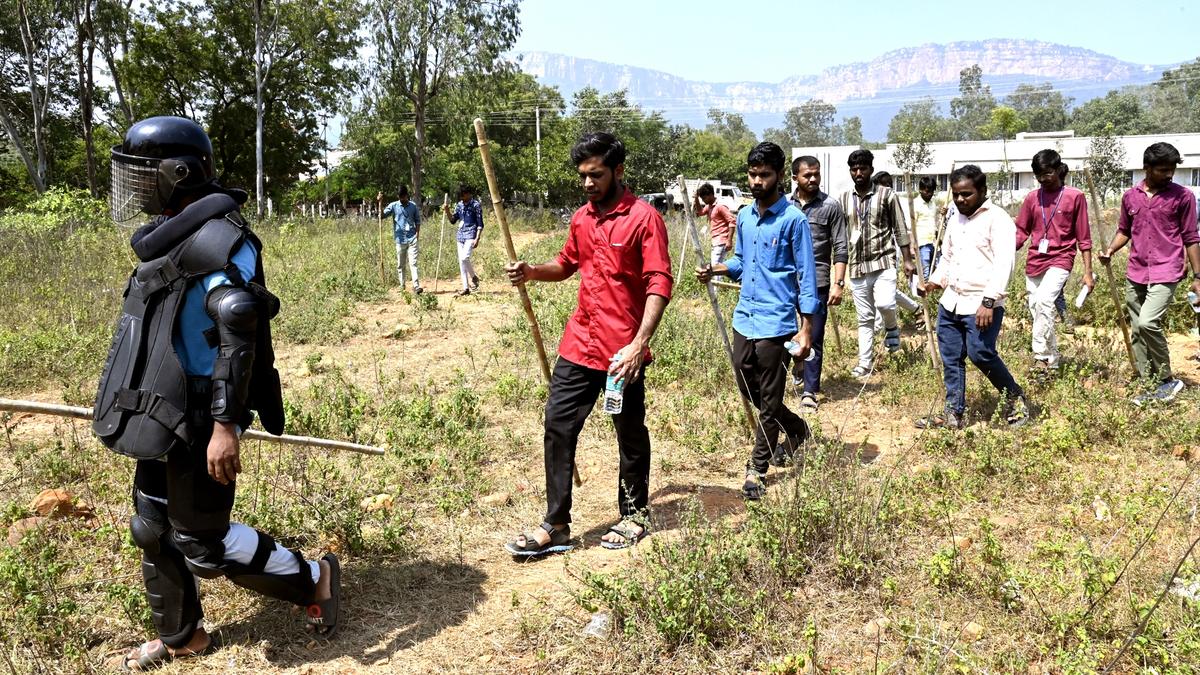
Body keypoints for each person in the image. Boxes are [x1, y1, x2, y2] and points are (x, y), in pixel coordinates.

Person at [97, 117, 340, 671]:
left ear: (177, 173)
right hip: (163, 401)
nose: (135, 189)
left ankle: (315, 578)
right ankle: (183, 636)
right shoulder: (172, 233)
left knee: (201, 541)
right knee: (150, 523)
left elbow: (237, 321)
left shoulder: (224, 239)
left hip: (207, 409)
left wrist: (226, 427)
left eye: (143, 176)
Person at [503, 132, 672, 555]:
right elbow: (565, 264)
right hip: (579, 344)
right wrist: (531, 271)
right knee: (558, 426)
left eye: (595, 175)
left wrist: (639, 343)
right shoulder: (581, 218)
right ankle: (556, 523)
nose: (587, 184)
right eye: (582, 176)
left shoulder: (643, 218)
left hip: (622, 353)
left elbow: (659, 282)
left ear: (617, 171)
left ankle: (633, 515)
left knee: (629, 432)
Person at [697, 142, 818, 500]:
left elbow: (807, 277)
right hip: (744, 318)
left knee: (768, 397)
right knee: (747, 386)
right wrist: (717, 268)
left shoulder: (793, 220)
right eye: (752, 174)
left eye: (764, 175)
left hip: (777, 322)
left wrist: (806, 327)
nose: (756, 181)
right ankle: (796, 428)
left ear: (779, 176)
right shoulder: (746, 217)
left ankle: (758, 468)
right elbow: (742, 263)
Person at [917, 165, 1029, 429]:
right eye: (956, 194)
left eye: (966, 194)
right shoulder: (955, 217)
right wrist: (934, 282)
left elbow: (1005, 264)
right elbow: (948, 257)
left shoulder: (998, 219)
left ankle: (1015, 397)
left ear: (982, 191)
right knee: (952, 357)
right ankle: (953, 412)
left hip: (981, 303)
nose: (960, 200)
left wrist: (989, 301)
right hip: (951, 301)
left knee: (981, 354)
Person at [1099, 142, 1200, 405]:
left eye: (1172, 170)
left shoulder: (1183, 197)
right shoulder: (1130, 196)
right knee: (1136, 330)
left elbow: (1191, 237)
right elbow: (1124, 230)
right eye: (1163, 170)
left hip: (1168, 270)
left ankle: (1166, 379)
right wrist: (1110, 249)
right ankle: (1148, 382)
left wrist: (1198, 277)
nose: (1169, 175)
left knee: (1147, 322)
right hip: (1137, 270)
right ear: (1147, 168)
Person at [1014, 149, 1094, 373]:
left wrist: (1088, 272)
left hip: (1062, 258)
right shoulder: (1032, 198)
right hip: (1035, 260)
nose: (1043, 179)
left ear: (1059, 170)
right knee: (1038, 309)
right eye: (1039, 175)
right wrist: (1002, 252)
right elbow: (1021, 231)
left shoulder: (1074, 196)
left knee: (1044, 302)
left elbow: (1084, 238)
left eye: (1048, 173)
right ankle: (1053, 360)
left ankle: (1040, 357)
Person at [841, 150, 917, 378]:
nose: (858, 173)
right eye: (854, 169)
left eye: (862, 168)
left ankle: (892, 327)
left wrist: (907, 259)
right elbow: (840, 234)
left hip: (883, 261)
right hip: (857, 266)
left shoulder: (886, 195)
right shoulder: (844, 198)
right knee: (864, 318)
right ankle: (864, 363)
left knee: (885, 304)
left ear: (871, 170)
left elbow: (900, 227)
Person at [787, 155, 847, 412]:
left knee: (814, 336)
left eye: (816, 174)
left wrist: (838, 283)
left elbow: (841, 247)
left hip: (819, 282)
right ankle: (797, 365)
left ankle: (810, 391)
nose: (812, 179)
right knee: (785, 334)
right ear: (794, 178)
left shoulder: (830, 207)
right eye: (807, 175)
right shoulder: (784, 207)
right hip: (787, 283)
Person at [382, 185, 422, 294]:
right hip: (400, 239)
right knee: (401, 264)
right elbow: (381, 216)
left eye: (404, 197)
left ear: (407, 195)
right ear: (398, 196)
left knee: (413, 263)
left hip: (412, 238)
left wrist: (417, 235)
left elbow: (418, 221)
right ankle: (402, 285)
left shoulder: (413, 206)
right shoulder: (393, 206)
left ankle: (416, 286)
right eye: (400, 197)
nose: (402, 199)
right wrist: (379, 202)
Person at [444, 185, 484, 296]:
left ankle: (474, 277)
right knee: (461, 262)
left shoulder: (476, 205)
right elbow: (453, 220)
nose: (462, 198)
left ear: (468, 194)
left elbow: (480, 224)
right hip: (460, 236)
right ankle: (466, 288)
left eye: (463, 196)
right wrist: (447, 211)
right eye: (460, 196)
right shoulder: (459, 205)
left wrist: (477, 238)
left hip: (471, 234)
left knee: (465, 257)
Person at [694, 183, 737, 265]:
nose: (703, 200)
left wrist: (729, 241)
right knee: (717, 267)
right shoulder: (709, 206)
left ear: (710, 195)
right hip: (716, 241)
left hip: (721, 241)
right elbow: (700, 212)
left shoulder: (720, 206)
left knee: (715, 267)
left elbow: (732, 222)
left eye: (704, 198)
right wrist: (696, 199)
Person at [912, 175, 944, 278]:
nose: (929, 194)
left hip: (933, 242)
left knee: (933, 269)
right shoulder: (915, 204)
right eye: (927, 191)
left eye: (932, 192)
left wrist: (938, 237)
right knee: (925, 272)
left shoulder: (933, 203)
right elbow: (911, 227)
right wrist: (912, 246)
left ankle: (930, 292)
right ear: (920, 190)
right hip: (922, 242)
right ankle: (922, 291)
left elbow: (933, 222)